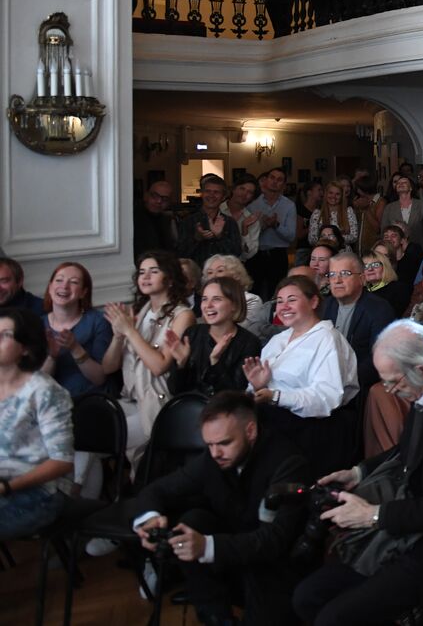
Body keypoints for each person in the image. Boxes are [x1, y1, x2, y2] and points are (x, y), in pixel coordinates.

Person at [293, 322, 423, 626]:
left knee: (333, 618)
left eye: (393, 382)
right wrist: (358, 472)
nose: (390, 390)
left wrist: (372, 515)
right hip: (417, 527)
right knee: (307, 597)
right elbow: (406, 450)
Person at [128, 391, 308, 626]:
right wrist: (150, 520)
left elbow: (275, 540)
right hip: (234, 549)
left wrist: (207, 546)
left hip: (275, 565)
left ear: (251, 431)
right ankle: (216, 616)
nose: (215, 453)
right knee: (192, 521)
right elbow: (156, 491)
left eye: (224, 443)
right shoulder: (212, 458)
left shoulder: (287, 462)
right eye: (209, 444)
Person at [244, 275, 359, 478]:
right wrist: (257, 386)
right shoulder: (277, 340)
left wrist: (276, 396)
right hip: (273, 420)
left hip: (310, 429)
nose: (284, 306)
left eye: (291, 300)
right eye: (279, 301)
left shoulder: (328, 338)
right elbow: (259, 392)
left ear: (313, 301)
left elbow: (326, 398)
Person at [103, 252, 196, 457]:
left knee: (102, 439)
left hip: (158, 402)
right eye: (142, 272)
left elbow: (159, 366)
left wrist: (130, 331)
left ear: (170, 279)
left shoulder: (183, 315)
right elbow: (108, 367)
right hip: (130, 399)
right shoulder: (139, 312)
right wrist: (118, 336)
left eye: (153, 271)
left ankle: (76, 487)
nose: (145, 277)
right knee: (85, 430)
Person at [0, 307, 74, 541]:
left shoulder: (45, 391)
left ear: (26, 347)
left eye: (5, 335)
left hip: (39, 493)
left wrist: (7, 488)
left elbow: (62, 462)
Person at [167, 276, 263, 396]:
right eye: (204, 299)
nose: (208, 305)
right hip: (190, 409)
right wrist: (181, 364)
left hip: (224, 412)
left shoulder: (249, 342)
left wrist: (216, 362)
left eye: (216, 299)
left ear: (234, 304)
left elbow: (235, 395)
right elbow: (175, 390)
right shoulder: (193, 333)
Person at [322, 252, 398, 394]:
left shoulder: (379, 309)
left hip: (357, 387)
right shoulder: (325, 306)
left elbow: (380, 358)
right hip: (323, 382)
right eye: (332, 274)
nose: (337, 280)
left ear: (362, 279)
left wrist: (342, 380)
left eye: (344, 273)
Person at [40, 261, 113, 396]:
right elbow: (38, 384)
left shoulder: (98, 321)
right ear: (50, 288)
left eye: (73, 282)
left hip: (88, 401)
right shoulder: (38, 324)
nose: (64, 286)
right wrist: (51, 356)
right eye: (59, 280)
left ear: (83, 292)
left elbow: (99, 379)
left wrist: (75, 348)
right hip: (49, 403)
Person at [247, 168, 298, 300]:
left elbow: (291, 236)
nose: (275, 182)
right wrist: (262, 227)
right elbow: (247, 235)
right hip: (256, 254)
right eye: (272, 177)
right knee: (255, 294)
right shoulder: (253, 204)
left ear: (284, 185)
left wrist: (276, 225)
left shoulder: (289, 206)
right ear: (265, 180)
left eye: (279, 179)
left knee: (277, 294)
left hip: (278, 255)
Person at [178, 175, 243, 266]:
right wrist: (196, 238)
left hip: (221, 274)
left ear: (223, 197)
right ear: (201, 194)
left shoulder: (230, 222)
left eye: (216, 192)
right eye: (207, 191)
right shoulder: (188, 221)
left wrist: (220, 237)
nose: (211, 195)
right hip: (196, 275)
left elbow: (236, 253)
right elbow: (180, 254)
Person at [381, 174, 423, 254]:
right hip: (395, 252)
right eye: (398, 183)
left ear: (411, 188)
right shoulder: (389, 208)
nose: (400, 184)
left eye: (404, 182)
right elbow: (384, 230)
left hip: (419, 250)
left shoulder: (422, 205)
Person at [133, 180, 178, 260]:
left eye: (165, 199)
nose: (159, 201)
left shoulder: (166, 220)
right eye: (155, 196)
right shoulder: (132, 217)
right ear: (146, 196)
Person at [363, 249, 409, 319]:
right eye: (365, 266)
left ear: (385, 267)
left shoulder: (398, 289)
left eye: (375, 265)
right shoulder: (361, 292)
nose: (370, 269)